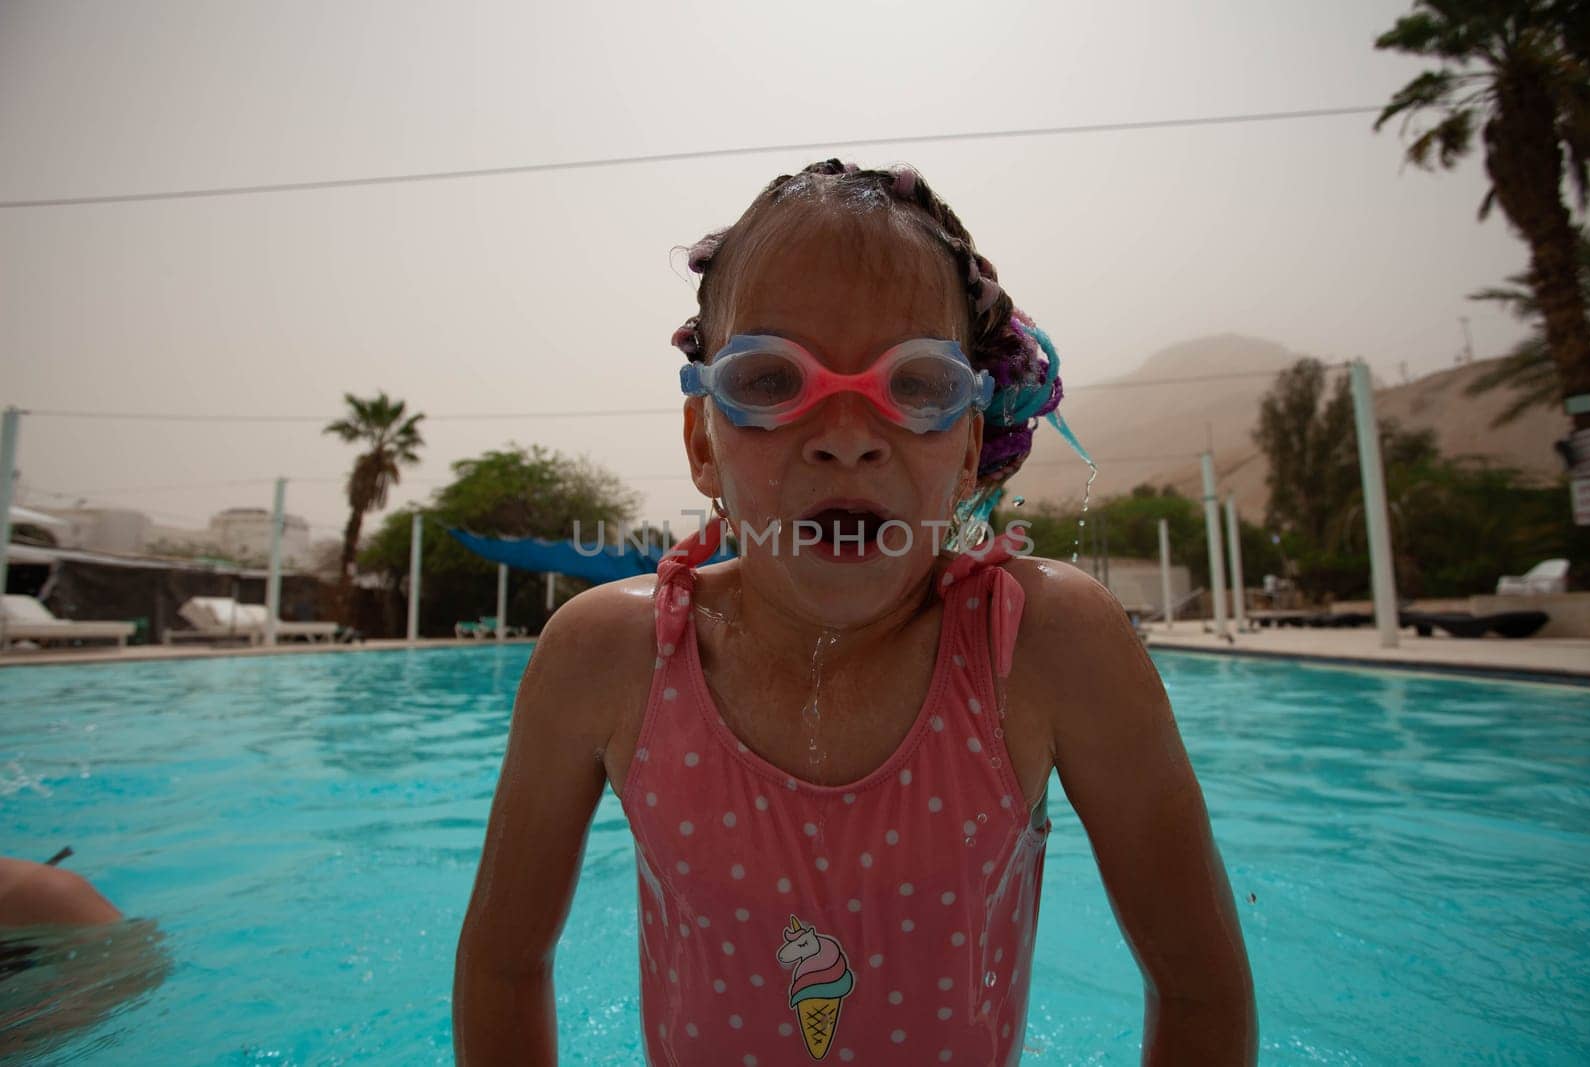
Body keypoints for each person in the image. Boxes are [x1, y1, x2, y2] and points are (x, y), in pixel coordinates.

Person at [454, 160, 1256, 1065]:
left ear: (966, 453)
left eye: (915, 385)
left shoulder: (1044, 648)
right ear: (701, 444)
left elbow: (1199, 987)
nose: (845, 434)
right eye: (770, 381)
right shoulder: (608, 659)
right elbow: (505, 962)